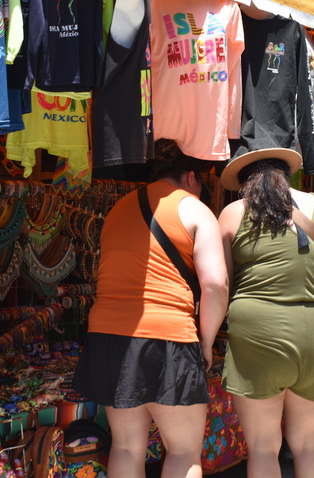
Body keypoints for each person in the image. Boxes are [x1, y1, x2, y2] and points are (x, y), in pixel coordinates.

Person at [73, 144, 228, 478]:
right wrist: (206, 342)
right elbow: (216, 285)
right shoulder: (195, 209)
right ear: (191, 177)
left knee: (126, 448)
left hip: (109, 339)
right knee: (184, 453)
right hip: (167, 339)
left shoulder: (118, 209)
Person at [217, 148, 314, 478]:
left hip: (260, 331)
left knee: (264, 446)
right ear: (286, 174)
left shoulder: (235, 212)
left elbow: (221, 284)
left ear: (245, 183)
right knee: (308, 443)